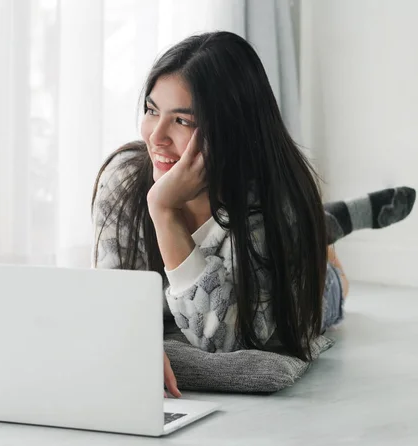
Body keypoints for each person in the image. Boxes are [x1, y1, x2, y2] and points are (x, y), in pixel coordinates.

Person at [91, 31, 415, 398]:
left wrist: (163, 210)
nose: (156, 137)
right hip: (275, 235)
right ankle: (322, 223)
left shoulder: (271, 203)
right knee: (303, 231)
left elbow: (224, 343)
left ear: (229, 129)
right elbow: (111, 301)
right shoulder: (123, 177)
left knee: (326, 291)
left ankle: (319, 239)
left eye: (182, 121)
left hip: (291, 273)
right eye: (152, 111)